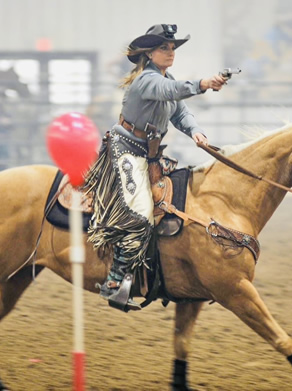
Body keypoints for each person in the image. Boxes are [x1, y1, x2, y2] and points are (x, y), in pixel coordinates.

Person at [83, 24, 227, 310]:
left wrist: (195, 130)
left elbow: (180, 111)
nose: (171, 52)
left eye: (172, 48)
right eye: (164, 47)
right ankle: (114, 283)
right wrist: (203, 84)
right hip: (124, 150)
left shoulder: (162, 77)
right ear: (149, 53)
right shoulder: (147, 80)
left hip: (148, 154)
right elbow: (172, 91)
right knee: (139, 214)